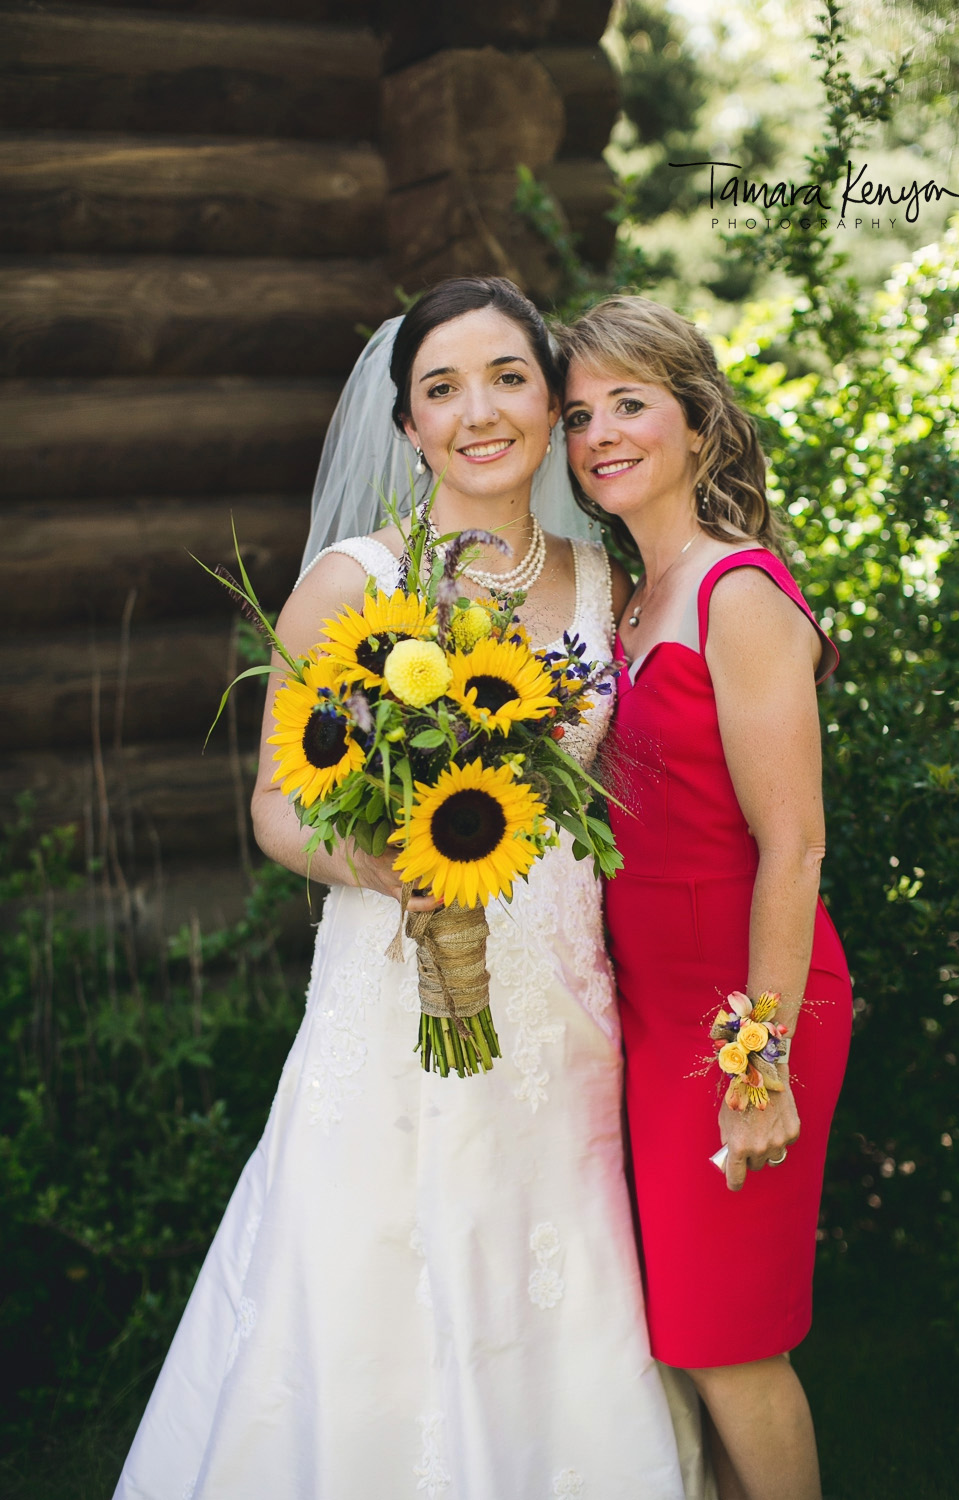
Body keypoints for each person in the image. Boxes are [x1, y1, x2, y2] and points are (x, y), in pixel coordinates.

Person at [112, 277, 690, 1499]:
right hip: (391, 1006)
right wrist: (376, 861)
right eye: (442, 389)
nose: (477, 411)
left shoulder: (603, 584)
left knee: (555, 1280)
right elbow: (276, 806)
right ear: (409, 423)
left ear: (549, 400)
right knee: (374, 1276)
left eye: (507, 378)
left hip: (565, 1017)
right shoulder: (351, 580)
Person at [559, 296, 853, 1500]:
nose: (599, 433)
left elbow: (793, 848)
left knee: (729, 1346)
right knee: (681, 1345)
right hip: (646, 1015)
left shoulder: (736, 592)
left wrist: (759, 1062)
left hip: (744, 1013)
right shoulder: (622, 600)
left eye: (630, 403)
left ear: (697, 422)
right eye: (579, 414)